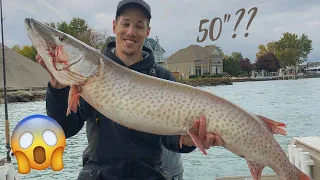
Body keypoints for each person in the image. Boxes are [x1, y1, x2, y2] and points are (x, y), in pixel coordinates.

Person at [36, 0, 224, 179]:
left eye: (139, 26)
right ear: (114, 25)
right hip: (100, 175)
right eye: (125, 23)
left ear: (147, 31)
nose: (131, 31)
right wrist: (57, 86)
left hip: (149, 174)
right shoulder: (90, 73)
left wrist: (193, 139)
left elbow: (170, 138)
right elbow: (64, 128)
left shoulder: (162, 78)